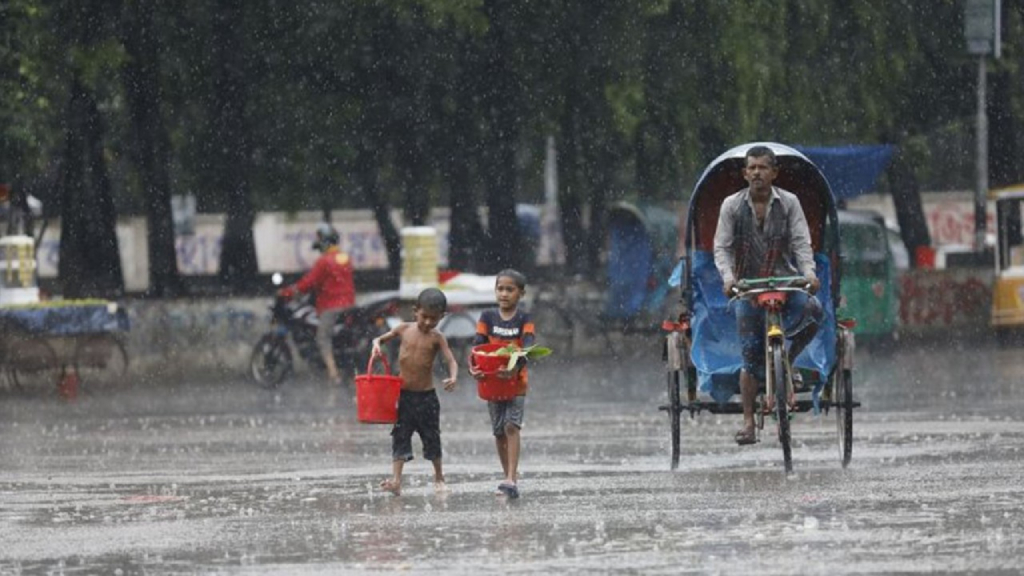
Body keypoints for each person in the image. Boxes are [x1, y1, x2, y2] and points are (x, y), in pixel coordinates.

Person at [712, 145, 824, 446]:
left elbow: (801, 242)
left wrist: (809, 274)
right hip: (748, 287)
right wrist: (729, 279)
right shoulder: (732, 206)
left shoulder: (789, 203)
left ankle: (787, 357)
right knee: (749, 358)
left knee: (815, 312)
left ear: (774, 173)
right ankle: (748, 423)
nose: (757, 173)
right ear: (745, 173)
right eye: (752, 168)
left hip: (786, 280)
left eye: (763, 167)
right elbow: (721, 247)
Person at [371, 288, 458, 496]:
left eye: (434, 319)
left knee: (432, 437)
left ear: (442, 317)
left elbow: (451, 360)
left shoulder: (438, 338)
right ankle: (396, 481)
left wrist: (453, 376)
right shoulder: (403, 329)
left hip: (427, 397)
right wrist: (375, 345)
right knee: (400, 435)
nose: (428, 322)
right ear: (415, 311)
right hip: (404, 396)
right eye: (424, 317)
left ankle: (439, 477)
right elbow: (379, 340)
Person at [469, 269, 535, 499]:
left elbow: (527, 347)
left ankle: (511, 478)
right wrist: (474, 369)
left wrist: (515, 368)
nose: (504, 294)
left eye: (510, 289)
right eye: (500, 289)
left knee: (511, 427)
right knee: (498, 431)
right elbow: (477, 347)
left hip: (516, 383)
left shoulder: (524, 319)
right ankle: (505, 475)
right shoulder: (487, 317)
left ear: (521, 293)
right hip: (491, 383)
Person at [278, 223, 356, 386]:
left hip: (331, 307)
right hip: (349, 305)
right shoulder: (345, 258)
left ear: (324, 242)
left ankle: (333, 374)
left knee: (322, 338)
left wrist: (289, 292)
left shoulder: (324, 261)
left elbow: (309, 283)